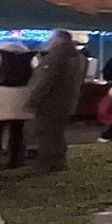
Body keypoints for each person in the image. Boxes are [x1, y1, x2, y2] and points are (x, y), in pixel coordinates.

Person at [24, 30, 86, 174]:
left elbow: (45, 81)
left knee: (45, 133)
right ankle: (59, 161)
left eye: (52, 38)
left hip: (50, 102)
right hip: (67, 101)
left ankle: (47, 164)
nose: (50, 41)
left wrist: (32, 102)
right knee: (57, 133)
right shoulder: (78, 57)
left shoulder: (55, 56)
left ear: (59, 39)